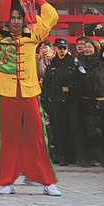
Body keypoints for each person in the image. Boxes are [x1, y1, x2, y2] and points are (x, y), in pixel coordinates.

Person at [0, 0, 61, 196]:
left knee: (37, 136)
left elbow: (52, 16)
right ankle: (6, 181)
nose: (15, 21)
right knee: (8, 138)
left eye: (19, 17)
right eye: (12, 17)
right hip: (6, 94)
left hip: (29, 93)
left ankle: (47, 181)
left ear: (25, 19)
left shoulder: (33, 36)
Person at [43, 38, 85, 167]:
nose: (62, 51)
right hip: (57, 101)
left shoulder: (74, 64)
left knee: (76, 129)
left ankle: (81, 157)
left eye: (64, 48)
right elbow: (47, 85)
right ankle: (63, 156)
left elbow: (82, 81)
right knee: (59, 129)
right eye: (60, 48)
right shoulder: (52, 66)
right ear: (55, 48)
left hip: (72, 100)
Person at [75, 37, 104, 166]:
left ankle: (97, 156)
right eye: (85, 46)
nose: (86, 49)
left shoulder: (99, 63)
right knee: (82, 128)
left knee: (95, 128)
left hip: (95, 100)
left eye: (89, 46)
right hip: (80, 100)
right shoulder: (79, 62)